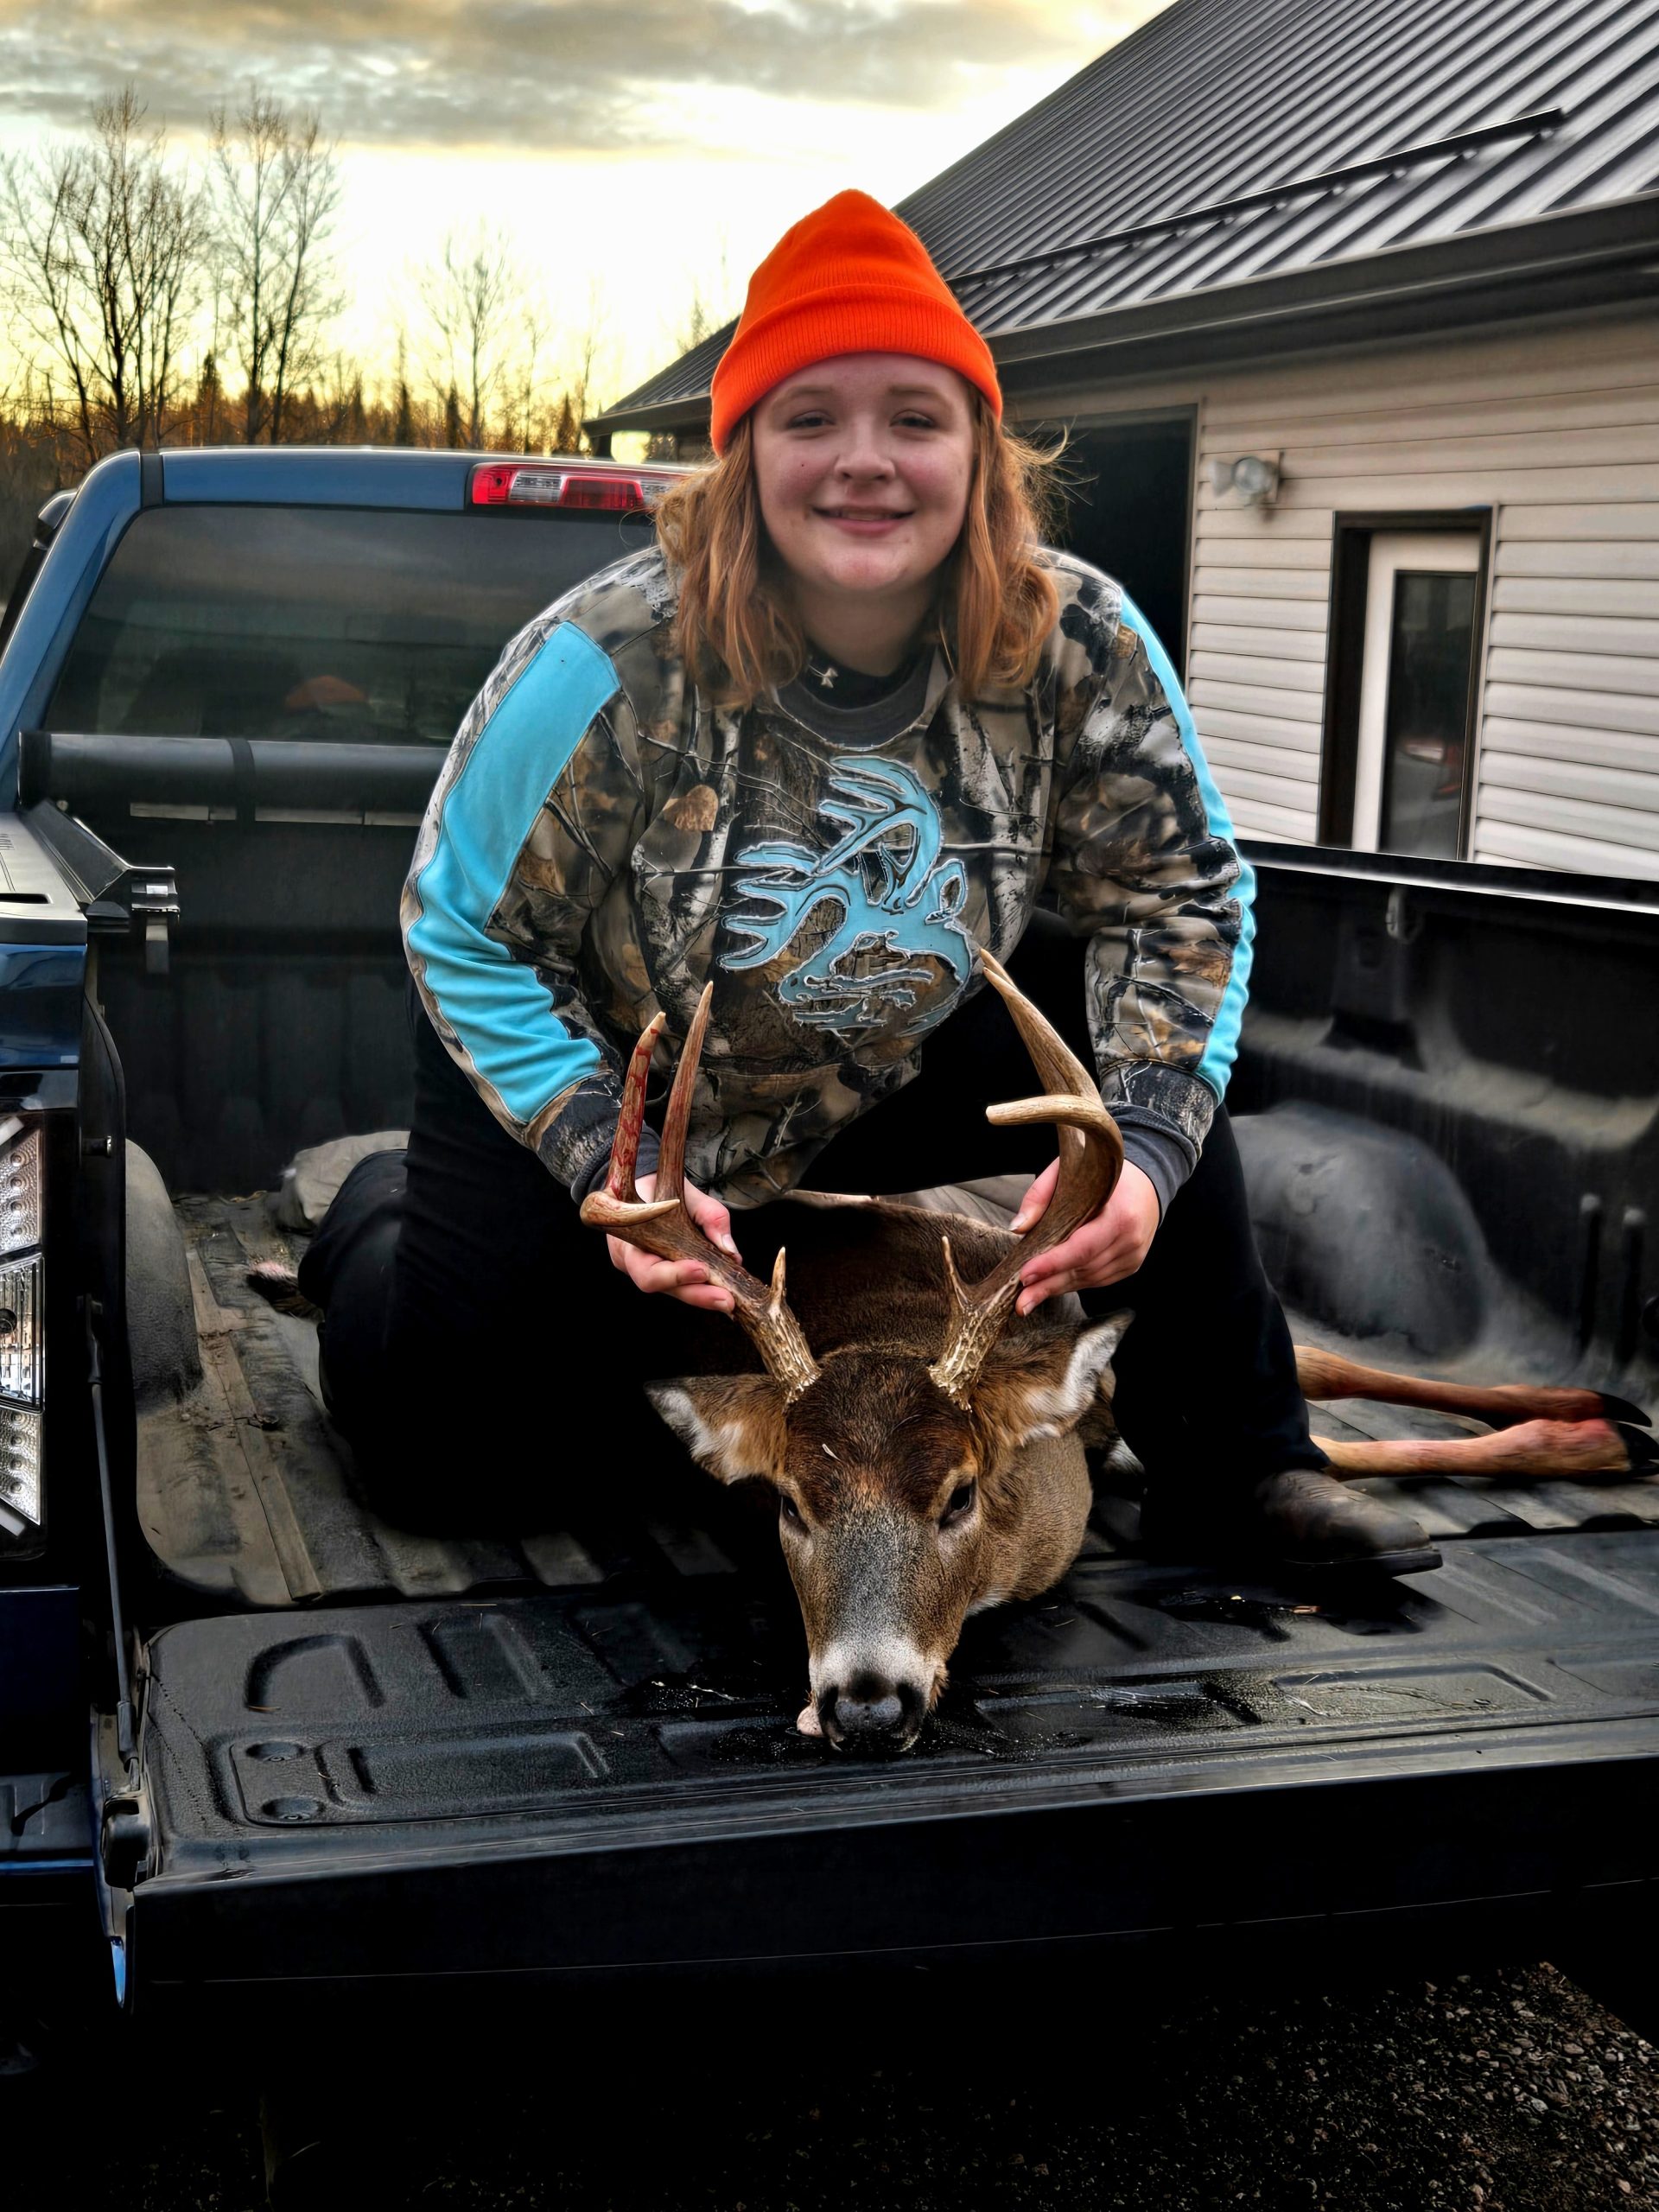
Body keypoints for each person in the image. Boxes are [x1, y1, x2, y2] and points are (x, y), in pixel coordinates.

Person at [302, 191, 1438, 1575]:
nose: (865, 462)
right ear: (746, 456)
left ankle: (1243, 1460)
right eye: (811, 418)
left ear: (978, 452)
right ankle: (370, 1214)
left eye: (914, 417)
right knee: (449, 1461)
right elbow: (464, 926)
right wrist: (604, 1154)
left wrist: (1144, 1155)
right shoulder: (608, 659)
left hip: (884, 1043)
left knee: (1133, 1068)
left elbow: (1180, 905)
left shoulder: (1078, 643)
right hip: (617, 1076)